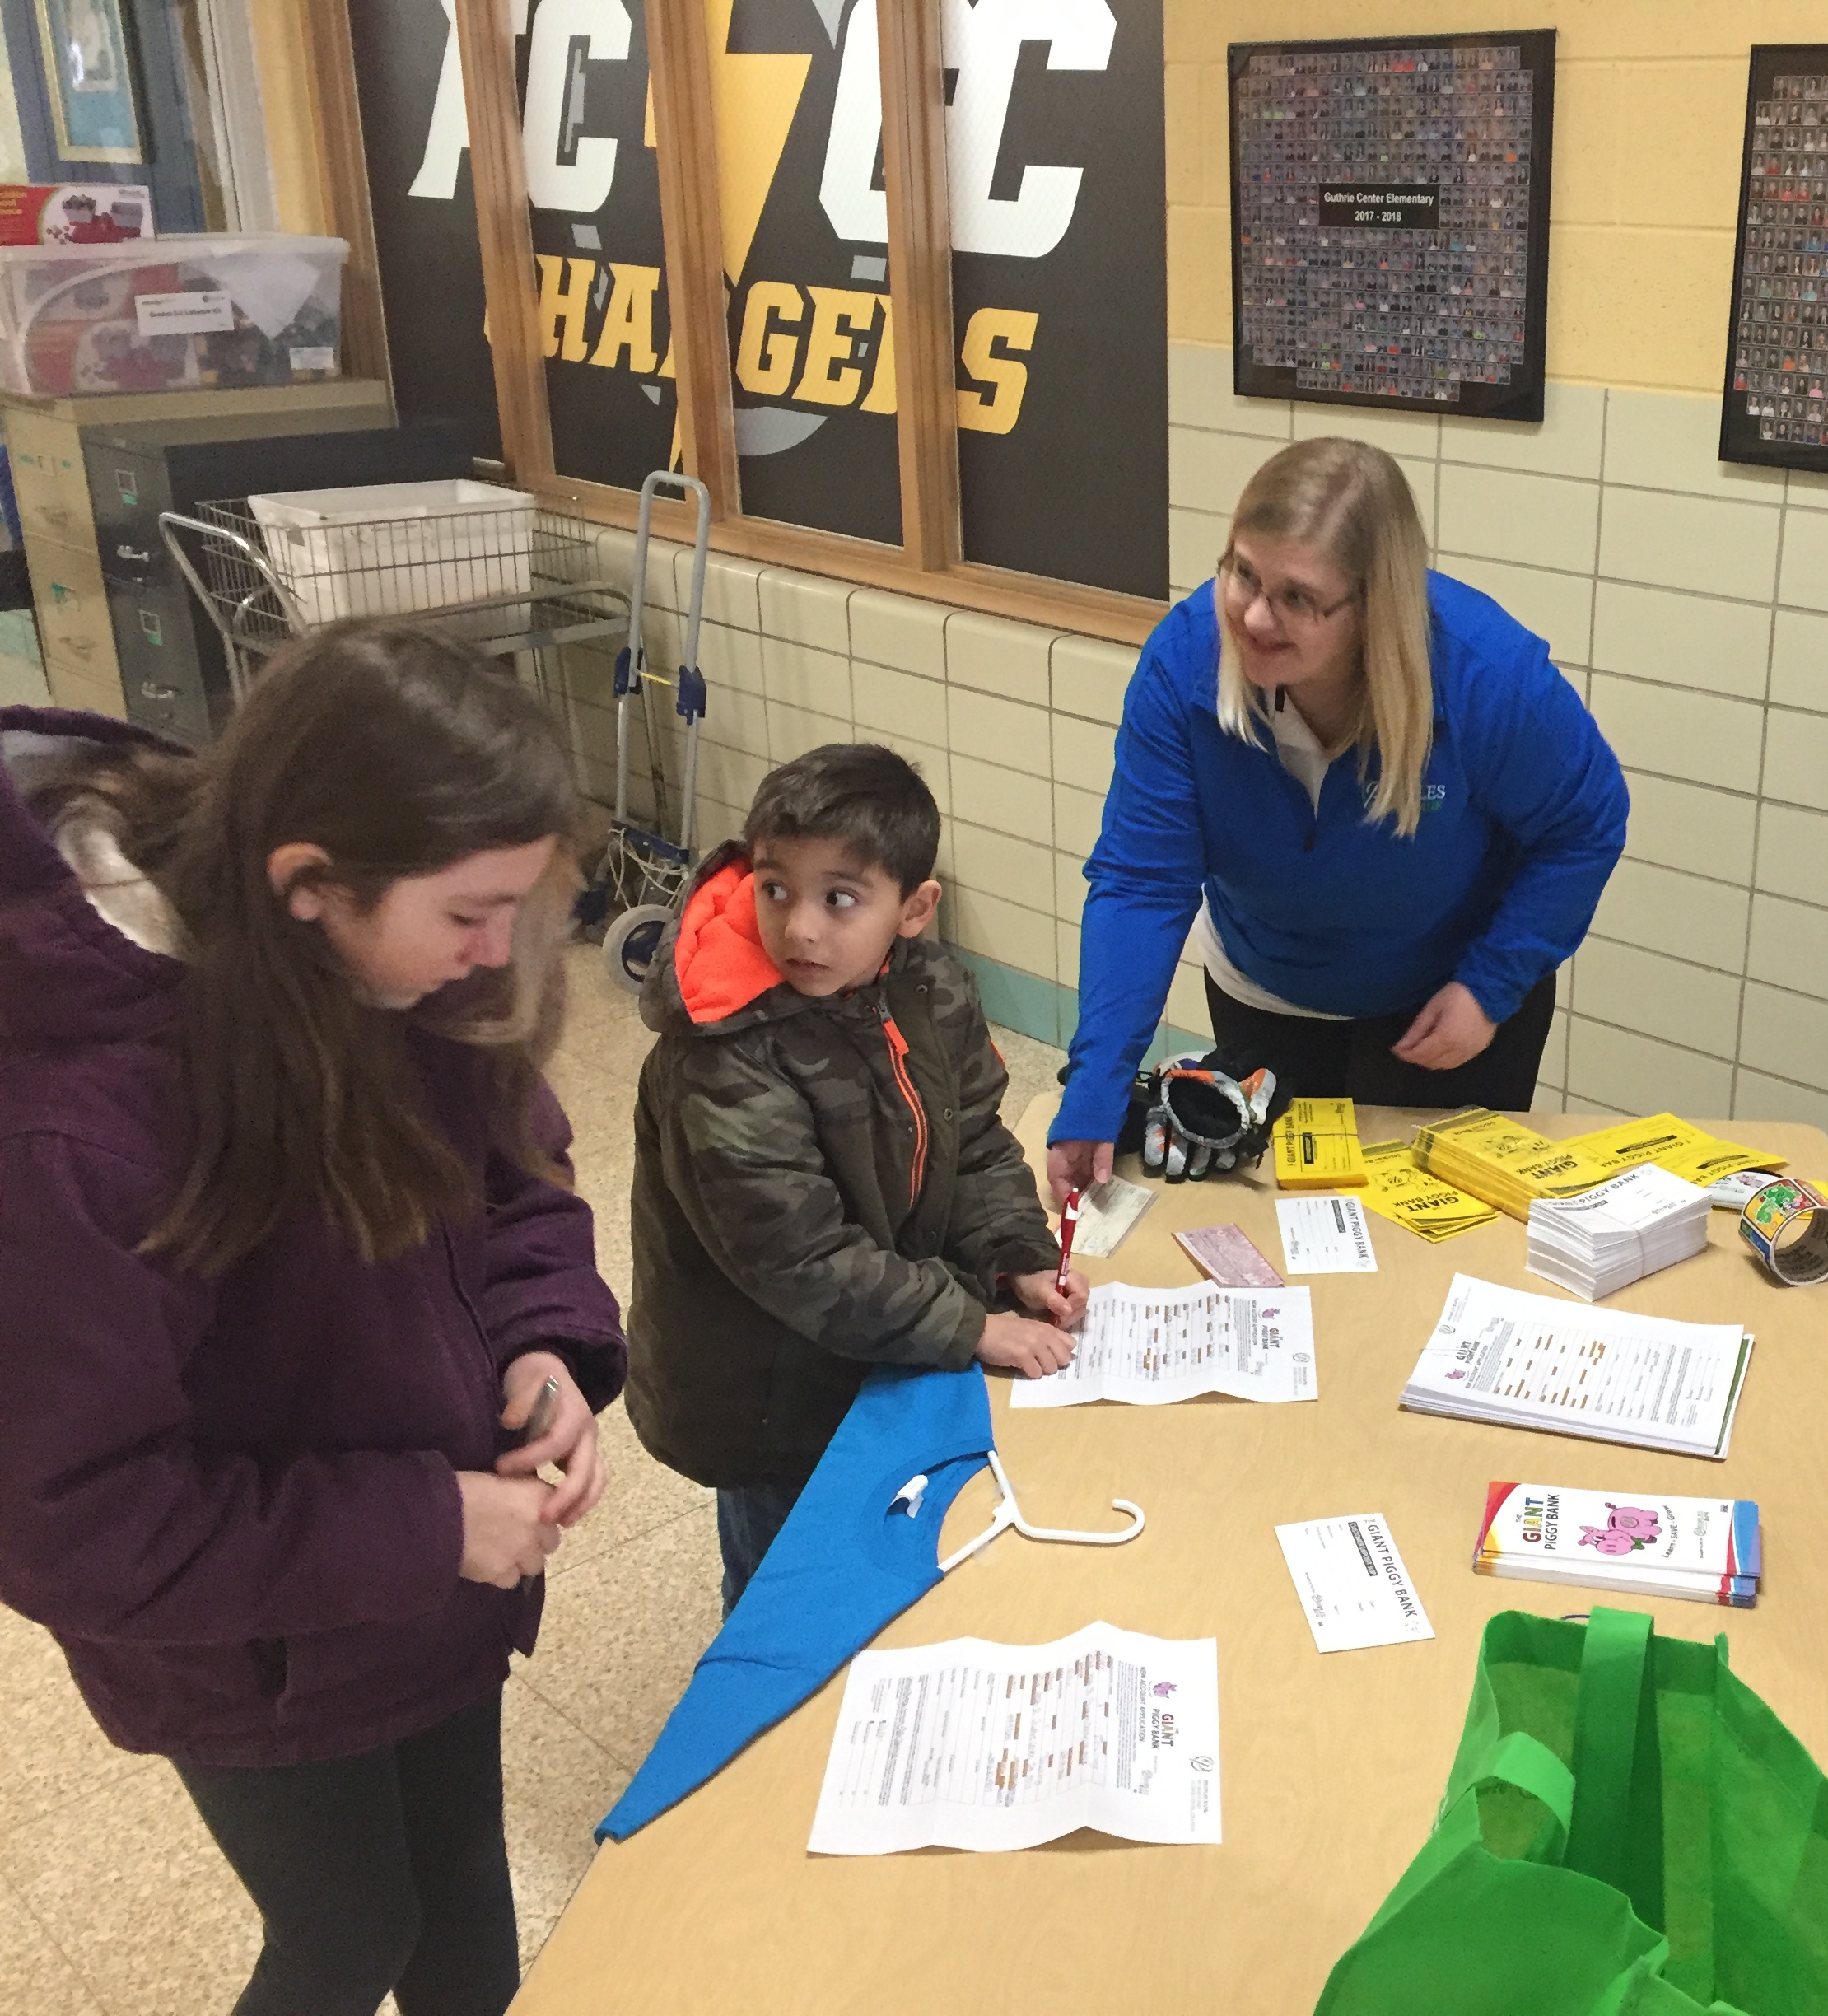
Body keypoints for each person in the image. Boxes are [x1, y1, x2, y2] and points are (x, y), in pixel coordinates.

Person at [0, 623, 623, 2016]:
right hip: (253, 1649)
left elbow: (515, 1166)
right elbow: (74, 1523)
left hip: (429, 1584)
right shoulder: (75, 1127)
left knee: (462, 1893)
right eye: (468, 913)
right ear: (309, 885)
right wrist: (428, 1520)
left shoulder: (407, 962)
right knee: (349, 1934)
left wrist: (543, 1340)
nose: (487, 956)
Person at [1046, 436, 1628, 1198]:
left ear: (1373, 605)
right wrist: (1097, 1082)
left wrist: (1492, 985)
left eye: (1297, 597)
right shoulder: (1185, 661)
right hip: (1269, 983)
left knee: (1422, 1238)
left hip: (1446, 1002)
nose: (1254, 615)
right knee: (1286, 1214)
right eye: (1242, 573)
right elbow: (1141, 882)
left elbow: (1586, 825)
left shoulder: (1486, 677)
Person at [626, 743, 1082, 1612]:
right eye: (775, 889)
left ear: (914, 909)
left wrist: (1016, 1257)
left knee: (877, 1566)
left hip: (873, 1351)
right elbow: (799, 1258)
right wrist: (967, 1324)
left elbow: (975, 1140)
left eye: (840, 898)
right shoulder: (723, 1055)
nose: (800, 927)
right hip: (763, 1396)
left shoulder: (930, 987)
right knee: (784, 1595)